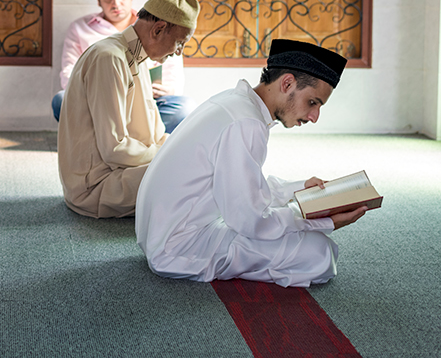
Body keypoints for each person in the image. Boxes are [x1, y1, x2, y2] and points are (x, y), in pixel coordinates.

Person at [135, 39, 366, 288]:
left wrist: (300, 189)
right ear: (287, 83)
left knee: (309, 242)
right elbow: (251, 221)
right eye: (313, 102)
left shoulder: (235, 102)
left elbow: (240, 187)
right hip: (179, 247)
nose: (314, 117)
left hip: (158, 235)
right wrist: (320, 221)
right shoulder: (246, 123)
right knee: (319, 253)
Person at [57, 0, 199, 218]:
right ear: (159, 29)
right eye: (180, 43)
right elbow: (114, 149)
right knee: (196, 174)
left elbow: (153, 134)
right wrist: (171, 154)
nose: (178, 52)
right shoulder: (109, 57)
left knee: (201, 163)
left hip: (121, 170)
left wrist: (181, 147)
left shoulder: (139, 57)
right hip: (96, 187)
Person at [53, 0, 194, 132]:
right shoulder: (79, 28)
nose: (116, 3)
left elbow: (173, 70)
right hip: (99, 103)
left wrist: (168, 88)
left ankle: (109, 132)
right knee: (62, 100)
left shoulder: (156, 25)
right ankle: (129, 132)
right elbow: (69, 74)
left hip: (147, 102)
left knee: (185, 108)